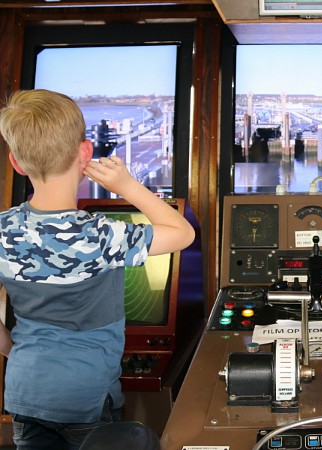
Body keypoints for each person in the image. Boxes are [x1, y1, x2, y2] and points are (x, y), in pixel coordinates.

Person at [0, 89, 195, 449]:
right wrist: (127, 186)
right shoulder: (101, 234)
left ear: (16, 162)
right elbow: (182, 233)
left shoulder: (2, 230)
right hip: (86, 398)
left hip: (25, 392)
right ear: (85, 153)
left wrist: (16, 350)